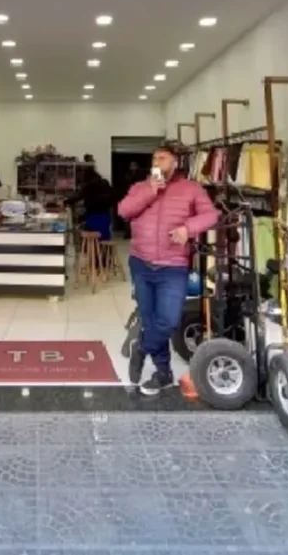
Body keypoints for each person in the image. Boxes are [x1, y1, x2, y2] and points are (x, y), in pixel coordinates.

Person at [118, 143, 218, 395]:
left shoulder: (191, 188)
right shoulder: (140, 187)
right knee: (150, 319)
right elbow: (124, 211)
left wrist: (188, 229)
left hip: (173, 266)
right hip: (141, 263)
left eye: (162, 158)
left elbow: (211, 215)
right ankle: (163, 373)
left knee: (169, 320)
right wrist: (150, 191)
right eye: (154, 158)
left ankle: (141, 348)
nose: (156, 162)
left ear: (175, 163)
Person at [72, 164, 114, 240]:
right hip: (105, 213)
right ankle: (104, 246)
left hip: (93, 213)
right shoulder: (105, 182)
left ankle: (95, 246)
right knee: (104, 236)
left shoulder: (88, 187)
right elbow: (112, 196)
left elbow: (78, 197)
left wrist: (65, 202)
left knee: (93, 237)